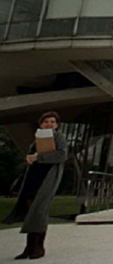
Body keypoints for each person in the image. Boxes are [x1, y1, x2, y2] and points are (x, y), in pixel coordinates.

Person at [2, 111, 68, 260]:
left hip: (47, 179)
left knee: (39, 211)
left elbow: (62, 155)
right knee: (30, 211)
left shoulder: (59, 138)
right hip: (33, 177)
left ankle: (39, 246)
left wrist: (39, 157)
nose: (49, 124)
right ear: (41, 124)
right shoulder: (37, 139)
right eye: (46, 121)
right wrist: (31, 158)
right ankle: (29, 247)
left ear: (57, 125)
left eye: (52, 122)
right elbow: (32, 156)